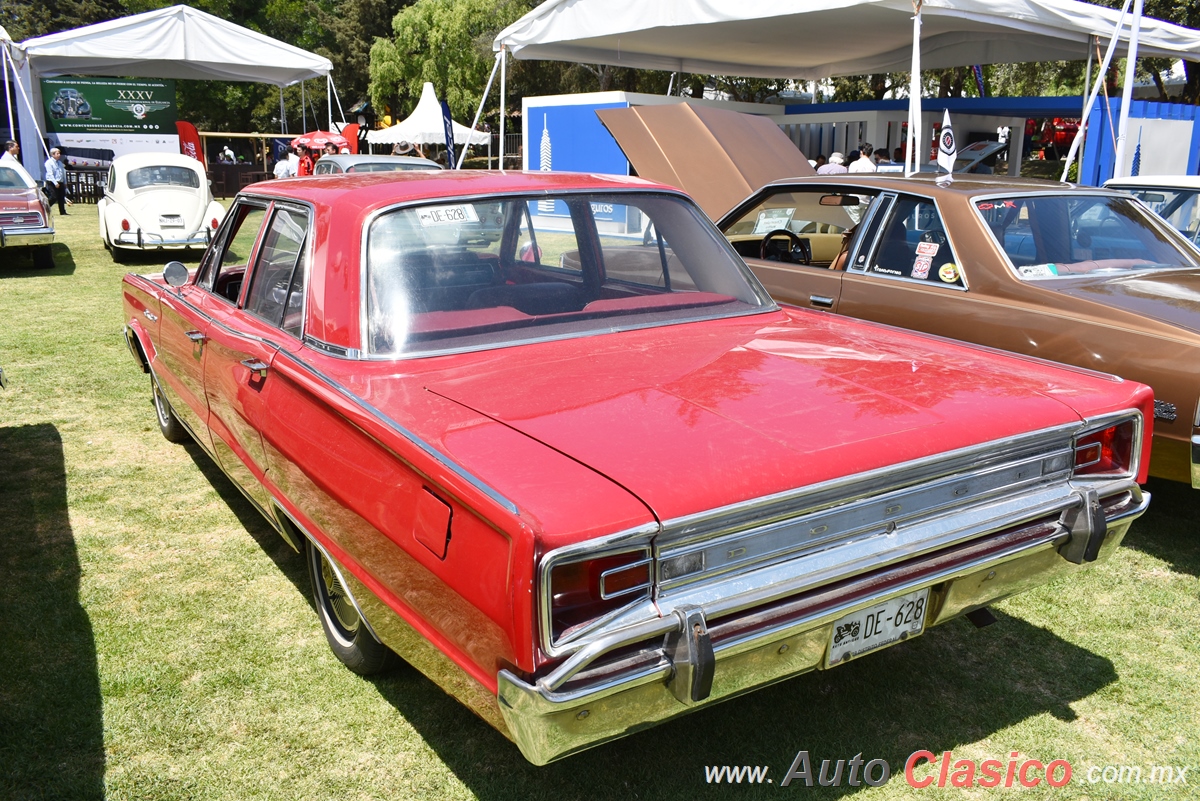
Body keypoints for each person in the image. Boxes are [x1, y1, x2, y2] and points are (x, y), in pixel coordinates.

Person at [43, 147, 67, 215]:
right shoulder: (49, 163)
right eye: (57, 153)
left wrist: (64, 182)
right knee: (54, 197)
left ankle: (62, 212)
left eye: (59, 153)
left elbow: (63, 172)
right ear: (53, 154)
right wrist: (55, 183)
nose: (59, 155)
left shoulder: (59, 163)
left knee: (61, 197)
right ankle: (45, 208)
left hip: (60, 181)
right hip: (52, 181)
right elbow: (50, 174)